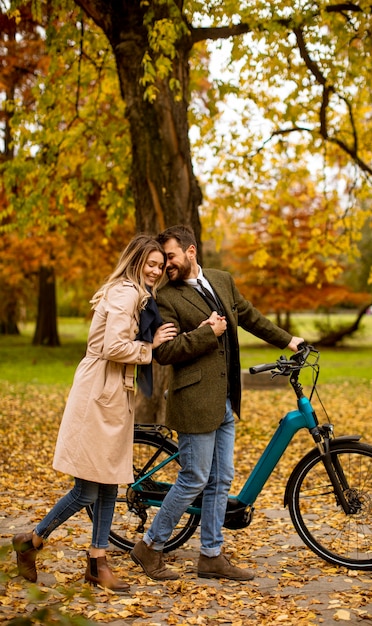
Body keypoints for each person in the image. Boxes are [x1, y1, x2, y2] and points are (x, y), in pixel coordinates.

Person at [130, 225, 304, 582]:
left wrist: (289, 341)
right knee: (194, 477)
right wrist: (207, 333)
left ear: (191, 251)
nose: (166, 267)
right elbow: (166, 353)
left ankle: (211, 555)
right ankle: (149, 545)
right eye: (163, 262)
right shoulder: (166, 298)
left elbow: (251, 318)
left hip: (226, 399)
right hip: (193, 399)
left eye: (171, 257)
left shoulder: (222, 280)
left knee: (221, 479)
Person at [12, 234, 177, 591]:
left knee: (106, 484)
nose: (155, 271)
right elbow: (113, 345)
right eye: (150, 264)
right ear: (135, 261)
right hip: (101, 392)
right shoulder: (126, 293)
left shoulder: (134, 292)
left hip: (113, 393)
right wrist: (150, 346)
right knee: (87, 490)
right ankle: (31, 541)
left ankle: (97, 561)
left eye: (160, 266)